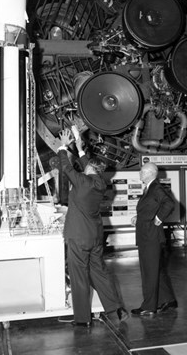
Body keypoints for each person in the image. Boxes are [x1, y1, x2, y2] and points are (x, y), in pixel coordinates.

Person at [57, 127, 129, 327]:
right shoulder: (100, 183)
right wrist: (79, 149)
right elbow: (87, 166)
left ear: (90, 168)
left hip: (78, 237)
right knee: (99, 273)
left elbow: (66, 168)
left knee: (79, 276)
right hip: (95, 237)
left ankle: (82, 319)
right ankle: (116, 308)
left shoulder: (82, 182)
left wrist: (63, 145)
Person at [130, 162, 177, 316]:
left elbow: (169, 203)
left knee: (149, 272)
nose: (140, 173)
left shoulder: (156, 188)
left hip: (150, 236)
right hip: (147, 234)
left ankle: (149, 306)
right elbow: (150, 206)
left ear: (150, 173)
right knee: (156, 270)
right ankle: (169, 300)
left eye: (142, 171)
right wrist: (140, 216)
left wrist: (159, 217)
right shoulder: (150, 188)